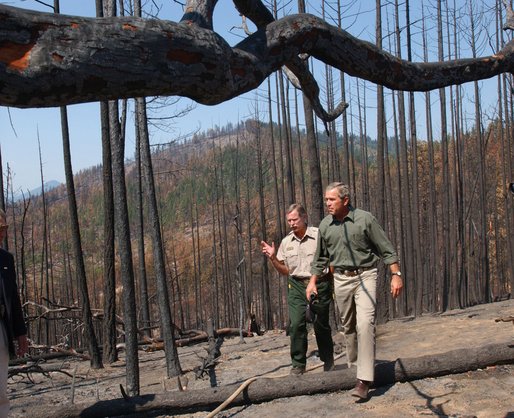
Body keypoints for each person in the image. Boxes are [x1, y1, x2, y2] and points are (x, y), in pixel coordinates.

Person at [307, 183, 403, 400]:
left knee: (365, 324)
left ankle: (364, 380)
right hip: (340, 279)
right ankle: (354, 368)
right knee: (348, 327)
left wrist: (396, 274)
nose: (327, 204)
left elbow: (386, 248)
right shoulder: (325, 225)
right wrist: (312, 282)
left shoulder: (365, 219)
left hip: (365, 276)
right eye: (326, 200)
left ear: (346, 200)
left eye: (332, 200)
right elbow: (320, 258)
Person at [261, 203, 334, 375]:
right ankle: (298, 365)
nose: (292, 223)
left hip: (319, 284)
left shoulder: (319, 236)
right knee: (296, 325)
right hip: (296, 286)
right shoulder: (286, 242)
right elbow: (285, 270)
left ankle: (328, 362)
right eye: (289, 220)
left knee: (321, 325)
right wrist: (273, 259)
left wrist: (330, 281)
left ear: (304, 217)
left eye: (295, 219)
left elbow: (332, 260)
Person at [0, 209, 28, 418]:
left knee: (1, 389)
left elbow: (13, 299)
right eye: (0, 229)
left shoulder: (6, 260)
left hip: (1, 330)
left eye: (4, 228)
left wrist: (21, 333)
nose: (2, 233)